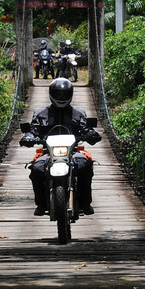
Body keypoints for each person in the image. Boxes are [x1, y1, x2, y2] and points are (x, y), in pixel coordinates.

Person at [20, 77, 101, 216]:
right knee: (37, 169)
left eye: (64, 94)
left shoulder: (78, 113)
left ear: (70, 94)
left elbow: (85, 128)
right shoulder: (41, 114)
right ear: (52, 94)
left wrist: (91, 133)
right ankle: (40, 204)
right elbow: (33, 129)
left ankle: (85, 203)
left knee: (85, 165)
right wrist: (29, 136)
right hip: (48, 152)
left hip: (73, 152)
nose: (61, 97)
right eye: (58, 94)